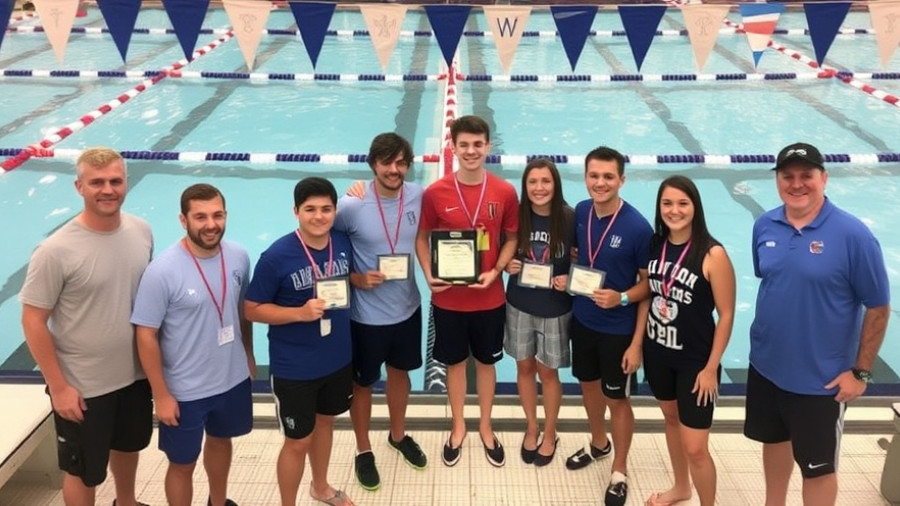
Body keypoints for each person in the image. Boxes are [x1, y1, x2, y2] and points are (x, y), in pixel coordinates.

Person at [744, 142, 890, 506]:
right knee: (774, 443)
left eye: (806, 175)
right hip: (766, 366)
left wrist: (862, 373)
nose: (797, 184)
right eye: (787, 176)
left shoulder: (853, 236)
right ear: (777, 180)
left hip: (820, 381)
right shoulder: (765, 225)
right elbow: (771, 279)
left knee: (818, 469)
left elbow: (879, 307)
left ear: (823, 178)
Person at [19, 147, 153, 506]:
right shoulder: (55, 250)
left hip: (135, 375)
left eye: (115, 181)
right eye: (97, 182)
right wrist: (59, 387)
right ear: (79, 186)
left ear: (126, 182)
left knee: (129, 447)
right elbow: (33, 320)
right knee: (83, 471)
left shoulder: (142, 231)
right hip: (83, 385)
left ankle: (127, 501)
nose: (107, 189)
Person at [131, 184, 254, 506]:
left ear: (226, 215)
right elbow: (145, 334)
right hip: (185, 390)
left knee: (222, 440)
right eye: (200, 217)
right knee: (182, 463)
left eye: (217, 215)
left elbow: (242, 311)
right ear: (183, 220)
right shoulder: (162, 271)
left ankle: (218, 501)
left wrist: (249, 356)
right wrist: (161, 394)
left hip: (231, 379)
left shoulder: (239, 255)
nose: (210, 224)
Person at [415, 115, 519, 467]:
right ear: (453, 147)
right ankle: (459, 426)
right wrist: (429, 274)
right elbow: (422, 238)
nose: (471, 151)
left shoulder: (504, 191)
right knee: (455, 364)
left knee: (487, 364)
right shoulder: (436, 192)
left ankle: (485, 427)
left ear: (488, 146)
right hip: (448, 300)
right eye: (464, 145)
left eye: (478, 144)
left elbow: (512, 237)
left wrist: (496, 270)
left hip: (490, 297)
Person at [244, 177, 355, 506]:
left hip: (336, 358)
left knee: (325, 424)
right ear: (296, 211)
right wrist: (298, 313)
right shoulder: (277, 256)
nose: (319, 216)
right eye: (310, 210)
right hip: (295, 369)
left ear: (335, 211)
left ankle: (320, 487)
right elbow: (251, 309)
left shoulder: (342, 242)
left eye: (326, 209)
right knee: (297, 440)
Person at [332, 133, 427, 491]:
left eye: (401, 162)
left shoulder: (418, 194)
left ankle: (398, 435)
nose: (394, 169)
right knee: (363, 383)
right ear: (373, 164)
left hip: (407, 308)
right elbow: (328, 249)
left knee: (400, 373)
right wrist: (354, 278)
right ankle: (363, 448)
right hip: (366, 316)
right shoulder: (351, 205)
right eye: (386, 162)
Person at [643, 175, 735, 506]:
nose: (674, 210)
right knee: (670, 419)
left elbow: (725, 314)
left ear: (695, 207)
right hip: (658, 353)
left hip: (695, 363)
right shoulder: (656, 244)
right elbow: (649, 293)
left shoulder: (713, 254)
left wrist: (711, 368)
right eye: (667, 203)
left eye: (682, 203)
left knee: (696, 447)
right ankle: (681, 487)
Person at [568, 146, 652, 506]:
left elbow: (650, 285)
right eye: (594, 176)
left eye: (608, 177)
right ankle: (599, 444)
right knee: (588, 388)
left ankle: (619, 468)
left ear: (621, 179)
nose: (600, 183)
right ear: (585, 177)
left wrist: (622, 304)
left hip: (618, 329)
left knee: (616, 398)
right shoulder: (582, 212)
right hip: (583, 321)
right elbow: (578, 255)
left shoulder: (637, 227)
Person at [502, 158, 574, 466]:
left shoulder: (570, 218)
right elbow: (496, 248)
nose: (539, 188)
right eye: (533, 182)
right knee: (525, 369)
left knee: (549, 372)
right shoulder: (516, 216)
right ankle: (531, 426)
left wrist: (570, 278)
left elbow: (586, 260)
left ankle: (550, 432)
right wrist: (505, 263)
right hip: (519, 304)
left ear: (555, 184)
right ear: (525, 186)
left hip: (555, 309)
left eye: (546, 181)